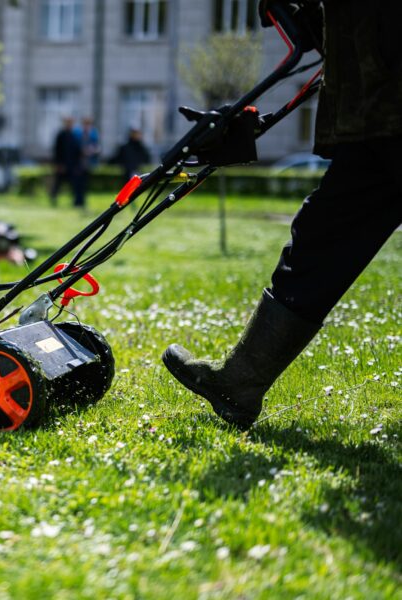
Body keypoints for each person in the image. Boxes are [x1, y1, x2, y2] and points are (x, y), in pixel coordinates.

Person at [161, 0, 402, 430]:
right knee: (322, 236)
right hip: (375, 113)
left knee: (325, 234)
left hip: (385, 99)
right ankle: (241, 382)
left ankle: (241, 382)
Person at [50, 116, 86, 208]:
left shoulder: (73, 135)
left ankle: (77, 202)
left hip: (72, 165)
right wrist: (59, 164)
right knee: (58, 184)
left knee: (76, 183)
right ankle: (53, 199)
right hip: (63, 164)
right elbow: (57, 150)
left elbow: (77, 150)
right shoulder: (61, 135)